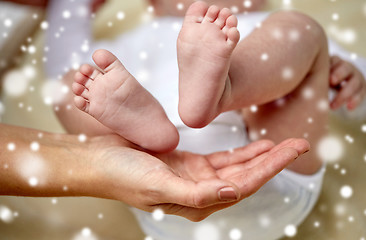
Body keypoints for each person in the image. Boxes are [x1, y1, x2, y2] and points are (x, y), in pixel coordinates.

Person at [42, 0, 366, 239]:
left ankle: (225, 89)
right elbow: (62, 55)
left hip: (270, 163)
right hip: (152, 178)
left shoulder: (267, 22)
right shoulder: (132, 40)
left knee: (301, 30)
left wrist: (350, 80)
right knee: (69, 85)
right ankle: (148, 133)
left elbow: (356, 104)